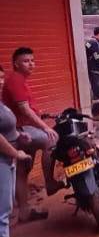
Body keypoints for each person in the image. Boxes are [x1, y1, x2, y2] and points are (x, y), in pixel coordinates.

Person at [1, 48, 60, 223]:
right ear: (16, 64)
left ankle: (24, 212)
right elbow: (24, 110)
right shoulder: (15, 79)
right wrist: (45, 128)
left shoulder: (19, 80)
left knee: (22, 170)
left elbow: (26, 108)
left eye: (32, 60)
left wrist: (41, 114)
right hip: (22, 130)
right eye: (26, 61)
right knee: (52, 140)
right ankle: (50, 182)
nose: (31, 64)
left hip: (20, 131)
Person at [0, 64, 33, 237]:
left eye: (1, 78)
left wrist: (19, 136)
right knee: (2, 210)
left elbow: (5, 127)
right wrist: (16, 153)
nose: (0, 82)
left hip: (7, 159)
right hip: (2, 159)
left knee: (6, 206)